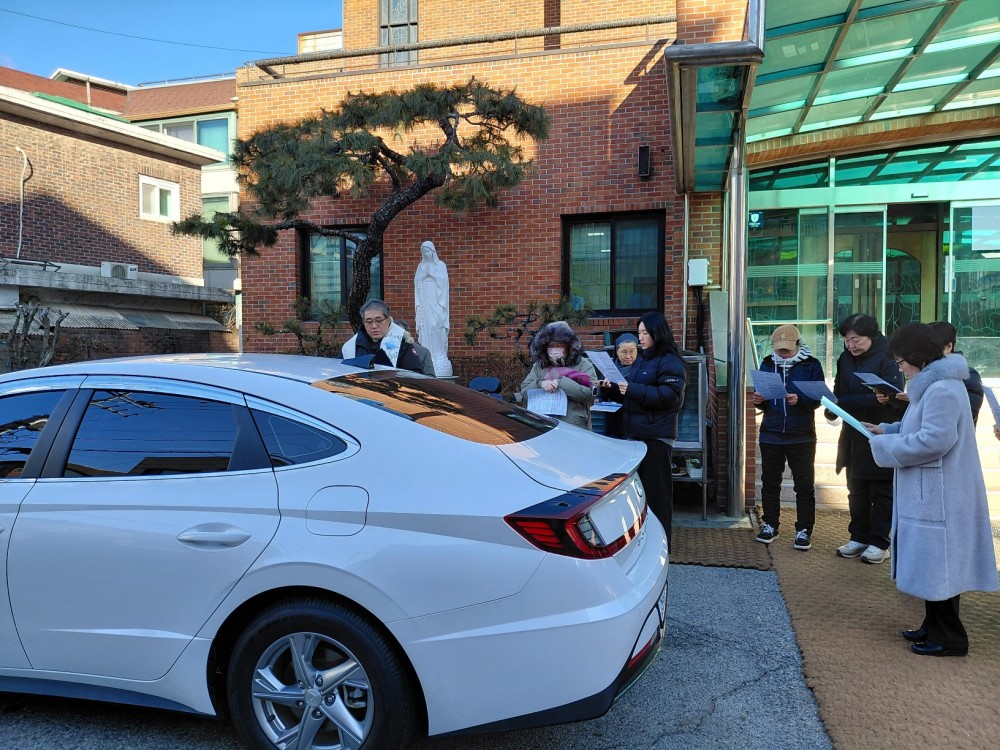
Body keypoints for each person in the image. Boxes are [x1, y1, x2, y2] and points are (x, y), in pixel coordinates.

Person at [867, 323, 998, 657]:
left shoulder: (941, 389)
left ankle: (951, 637)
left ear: (918, 358)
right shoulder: (935, 385)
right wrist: (889, 430)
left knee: (940, 567)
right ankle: (934, 626)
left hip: (940, 493)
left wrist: (887, 445)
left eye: (901, 361)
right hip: (935, 490)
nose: (899, 367)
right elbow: (921, 426)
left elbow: (934, 440)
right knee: (934, 566)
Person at [600, 312, 686, 546]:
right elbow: (630, 394)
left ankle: (662, 545)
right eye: (639, 333)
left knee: (657, 496)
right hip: (634, 436)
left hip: (656, 438)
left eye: (645, 333)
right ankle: (641, 544)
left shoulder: (671, 361)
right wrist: (609, 389)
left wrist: (630, 389)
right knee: (635, 496)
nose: (641, 338)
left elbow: (669, 397)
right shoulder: (643, 359)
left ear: (657, 333)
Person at [827, 313, 904, 564]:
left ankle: (879, 542)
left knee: (881, 492)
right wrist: (832, 406)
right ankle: (858, 537)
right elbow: (839, 390)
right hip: (852, 433)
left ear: (871, 336)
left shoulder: (888, 358)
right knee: (856, 490)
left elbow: (892, 399)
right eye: (847, 340)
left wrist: (846, 403)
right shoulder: (845, 359)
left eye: (856, 340)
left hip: (878, 432)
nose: (851, 345)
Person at [752, 324, 825, 551]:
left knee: (804, 485)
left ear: (797, 345)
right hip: (771, 432)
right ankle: (770, 524)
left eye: (787, 349)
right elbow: (763, 400)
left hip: (801, 434)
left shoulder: (811, 365)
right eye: (779, 349)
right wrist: (759, 401)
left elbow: (818, 399)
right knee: (769, 482)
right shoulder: (767, 363)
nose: (783, 353)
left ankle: (804, 529)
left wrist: (800, 400)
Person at [520, 321, 597, 430]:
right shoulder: (539, 366)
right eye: (550, 346)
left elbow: (592, 394)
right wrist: (540, 383)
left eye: (559, 345)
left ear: (569, 345)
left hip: (574, 425)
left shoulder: (583, 365)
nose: (554, 349)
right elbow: (524, 394)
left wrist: (561, 382)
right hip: (543, 425)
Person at [341, 300, 426, 373]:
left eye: (379, 320)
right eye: (369, 321)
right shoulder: (352, 346)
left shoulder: (402, 344)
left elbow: (415, 376)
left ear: (388, 320)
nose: (374, 326)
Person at [928, 320, 983, 424]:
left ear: (949, 347)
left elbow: (967, 416)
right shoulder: (926, 373)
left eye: (932, 346)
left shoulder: (968, 376)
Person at [414, 240, 452, 377]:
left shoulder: (440, 265)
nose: (426, 254)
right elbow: (417, 281)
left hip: (436, 300)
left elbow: (444, 281)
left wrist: (432, 275)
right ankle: (428, 356)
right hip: (424, 301)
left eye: (428, 251)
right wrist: (424, 275)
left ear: (433, 251)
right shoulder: (421, 266)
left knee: (436, 325)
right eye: (424, 252)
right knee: (426, 327)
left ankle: (439, 355)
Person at [601, 333, 639, 438]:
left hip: (633, 423)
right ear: (617, 352)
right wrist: (600, 396)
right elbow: (601, 394)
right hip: (612, 422)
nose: (628, 356)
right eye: (624, 352)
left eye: (632, 351)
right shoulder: (609, 368)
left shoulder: (642, 369)